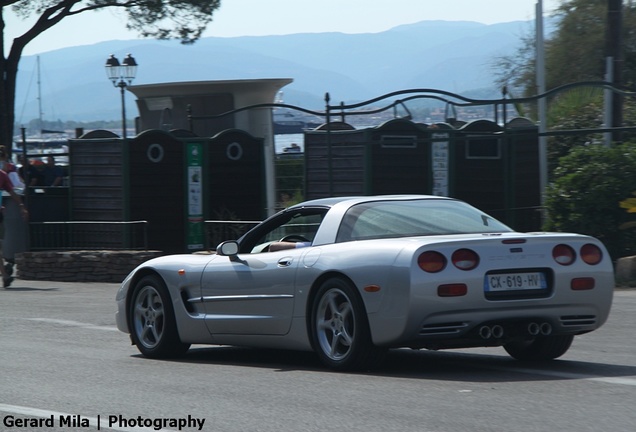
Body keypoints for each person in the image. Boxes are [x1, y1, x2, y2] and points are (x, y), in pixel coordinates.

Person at [0, 168, 28, 287]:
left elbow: (11, 191)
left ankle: (5, 276)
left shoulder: (2, 175)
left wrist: (21, 206)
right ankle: (5, 276)